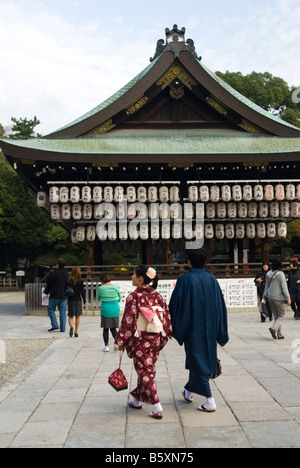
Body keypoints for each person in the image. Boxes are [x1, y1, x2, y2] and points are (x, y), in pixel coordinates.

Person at [169, 248, 229, 413]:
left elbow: (176, 304)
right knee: (197, 358)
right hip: (209, 327)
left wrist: (172, 324)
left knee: (197, 359)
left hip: (192, 327)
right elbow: (220, 306)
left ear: (188, 261)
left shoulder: (185, 279)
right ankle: (188, 391)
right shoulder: (211, 279)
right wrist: (220, 328)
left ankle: (209, 400)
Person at [115, 265, 172, 420]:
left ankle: (157, 406)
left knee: (145, 371)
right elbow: (165, 314)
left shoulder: (134, 297)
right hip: (155, 339)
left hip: (141, 340)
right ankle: (137, 400)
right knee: (146, 368)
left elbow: (129, 321)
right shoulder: (156, 295)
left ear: (140, 278)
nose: (131, 277)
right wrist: (168, 331)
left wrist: (121, 340)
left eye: (133, 275)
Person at [263, 258, 291, 340]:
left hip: (270, 297)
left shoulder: (268, 273)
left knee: (276, 316)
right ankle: (273, 328)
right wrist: (288, 298)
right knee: (281, 315)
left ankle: (279, 334)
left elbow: (266, 286)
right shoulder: (281, 274)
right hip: (279, 298)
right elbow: (284, 287)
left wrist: (264, 296)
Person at [97, 273, 121, 352]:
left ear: (102, 281)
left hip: (105, 309)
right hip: (115, 308)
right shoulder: (116, 287)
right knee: (113, 328)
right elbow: (119, 298)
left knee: (106, 328)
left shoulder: (101, 288)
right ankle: (116, 342)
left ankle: (106, 346)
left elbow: (98, 298)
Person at [44, 258, 69, 333]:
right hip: (63, 295)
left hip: (54, 295)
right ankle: (63, 328)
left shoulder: (53, 273)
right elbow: (67, 284)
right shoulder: (66, 274)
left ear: (57, 265)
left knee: (51, 309)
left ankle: (55, 325)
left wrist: (46, 291)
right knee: (63, 312)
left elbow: (49, 283)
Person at [68, 267, 87, 338]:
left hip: (70, 300)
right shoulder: (80, 281)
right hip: (78, 300)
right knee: (77, 316)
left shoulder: (69, 281)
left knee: (70, 316)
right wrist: (85, 301)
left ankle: (71, 327)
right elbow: (82, 292)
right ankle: (76, 331)